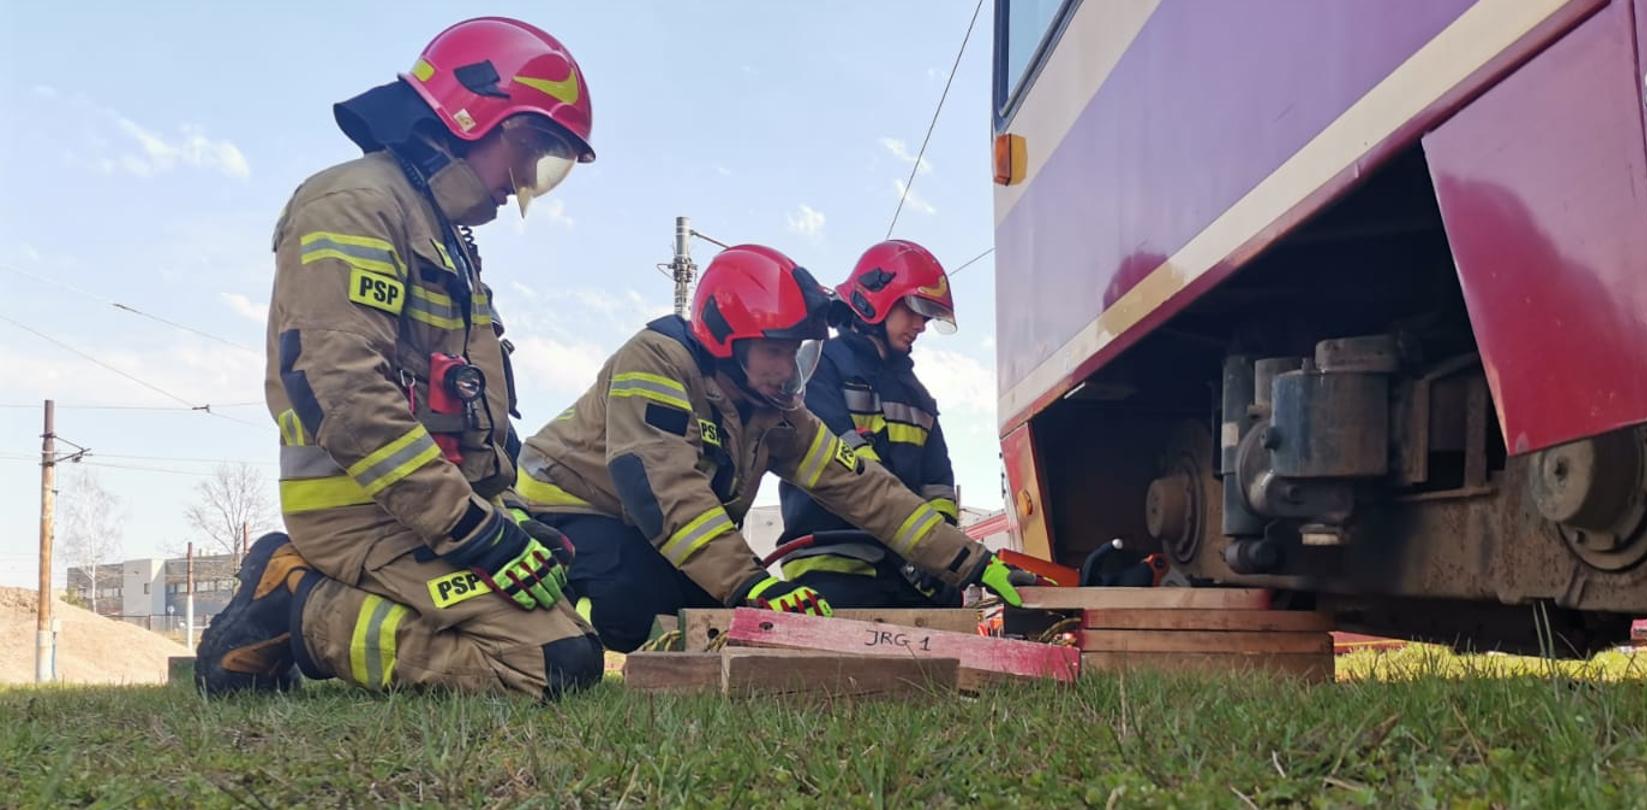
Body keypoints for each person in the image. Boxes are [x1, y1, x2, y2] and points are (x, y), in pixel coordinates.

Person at [196, 17, 602, 699]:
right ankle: (295, 600)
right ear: (475, 115)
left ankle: (313, 596)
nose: (530, 177)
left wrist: (512, 517)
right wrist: (476, 532)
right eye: (531, 148)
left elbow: (470, 409)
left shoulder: (441, 235)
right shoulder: (354, 204)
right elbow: (344, 394)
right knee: (546, 666)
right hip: (363, 510)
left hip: (428, 507)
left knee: (578, 644)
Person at [513, 244, 1030, 652]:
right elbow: (663, 489)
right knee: (636, 608)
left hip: (645, 524)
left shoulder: (777, 411)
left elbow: (864, 489)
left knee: (711, 621)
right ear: (726, 339)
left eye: (798, 352)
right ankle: (561, 617)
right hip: (568, 508)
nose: (789, 371)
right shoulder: (656, 361)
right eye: (775, 351)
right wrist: (751, 584)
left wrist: (971, 563)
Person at [776, 239, 965, 608]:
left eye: (927, 316)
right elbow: (851, 473)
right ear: (876, 299)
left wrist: (941, 559)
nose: (921, 326)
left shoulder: (918, 396)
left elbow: (938, 487)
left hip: (906, 567)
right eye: (914, 310)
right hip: (834, 562)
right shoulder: (820, 367)